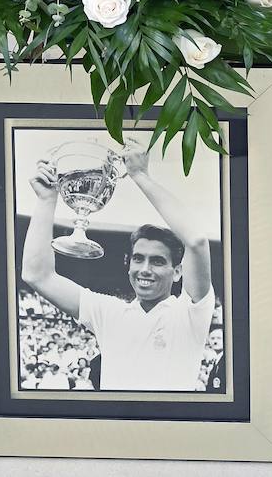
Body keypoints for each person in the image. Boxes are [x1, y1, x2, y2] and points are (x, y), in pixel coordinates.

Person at [21, 142, 214, 392]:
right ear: (128, 264)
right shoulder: (108, 312)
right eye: (138, 258)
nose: (145, 269)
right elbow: (37, 275)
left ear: (178, 271)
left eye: (157, 261)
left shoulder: (191, 313)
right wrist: (46, 200)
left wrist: (140, 176)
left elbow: (197, 241)